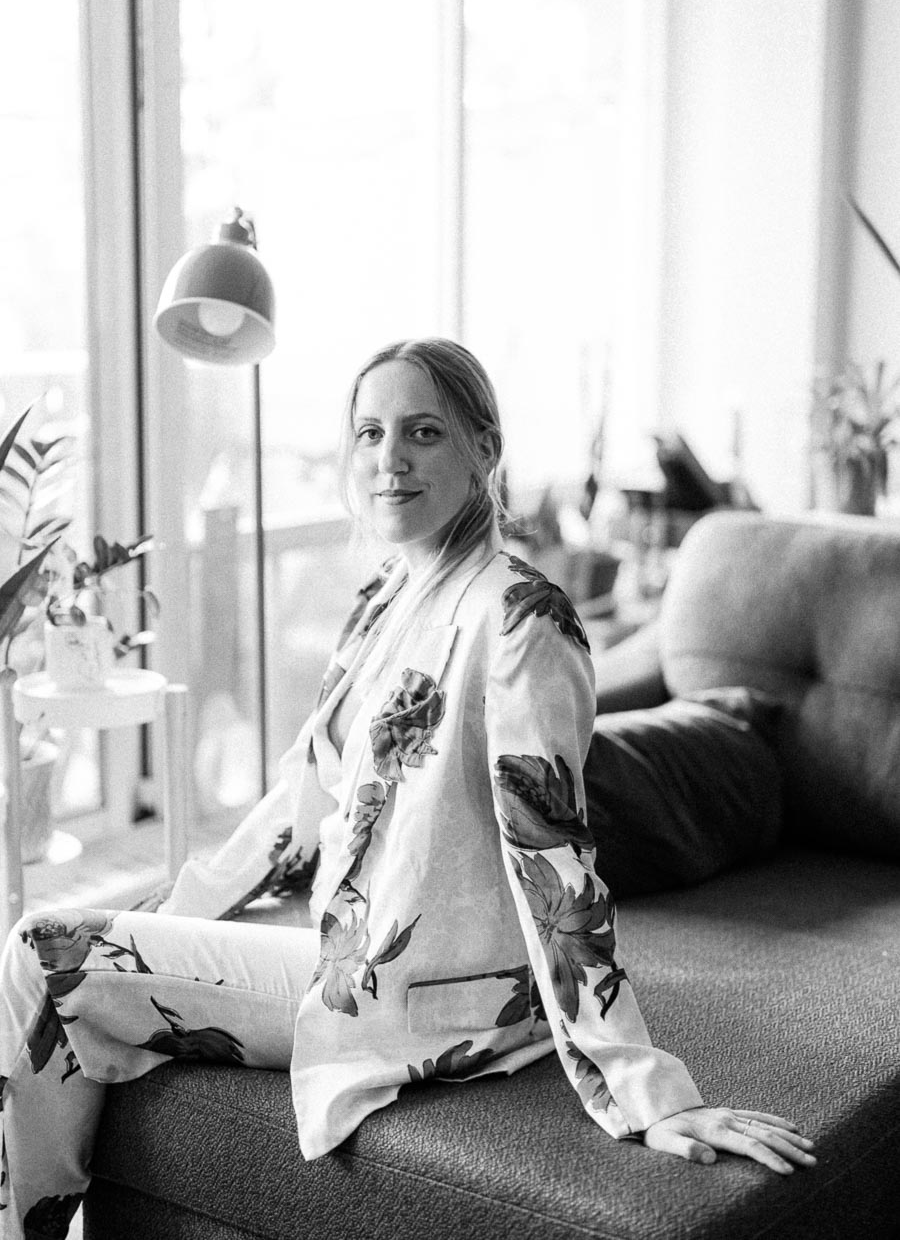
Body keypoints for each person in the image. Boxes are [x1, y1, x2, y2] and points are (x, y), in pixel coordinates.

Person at [0, 339, 815, 1238]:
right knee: (82, 960)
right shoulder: (385, 595)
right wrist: (180, 909)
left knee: (40, 950)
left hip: (421, 993)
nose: (390, 458)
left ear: (482, 450)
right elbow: (296, 806)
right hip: (357, 945)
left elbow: (553, 858)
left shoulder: (520, 618)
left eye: (423, 432)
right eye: (371, 433)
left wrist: (642, 1085)